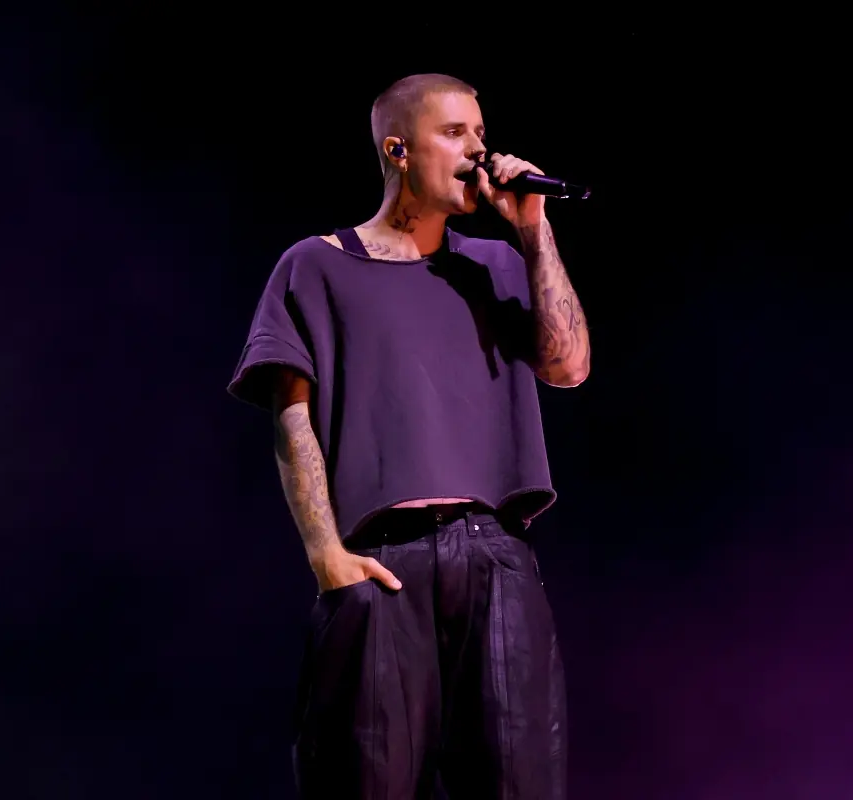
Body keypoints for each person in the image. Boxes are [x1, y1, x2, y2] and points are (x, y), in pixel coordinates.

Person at [227, 73, 590, 799]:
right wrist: (326, 555)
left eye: (480, 134)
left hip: (495, 558)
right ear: (398, 150)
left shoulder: (496, 264)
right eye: (454, 133)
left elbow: (569, 365)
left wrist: (533, 228)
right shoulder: (315, 265)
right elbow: (292, 419)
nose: (477, 151)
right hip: (382, 562)